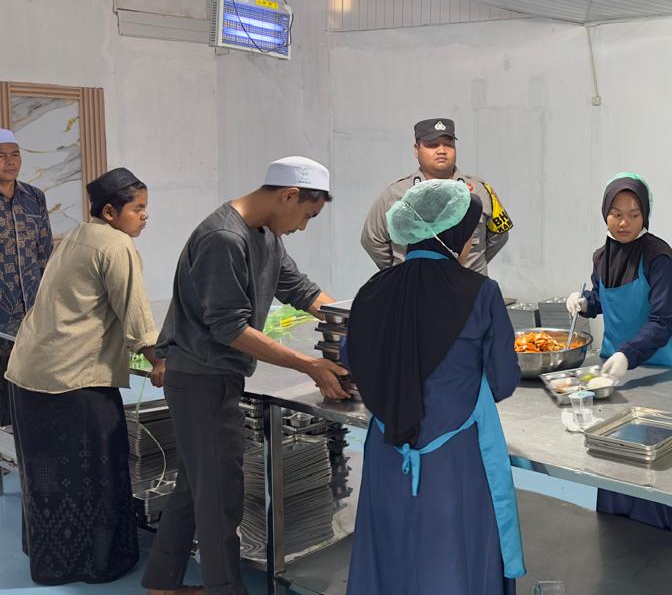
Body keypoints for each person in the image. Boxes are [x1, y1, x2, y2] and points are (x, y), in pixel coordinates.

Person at [141, 157, 349, 595]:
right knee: (220, 496)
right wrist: (310, 365)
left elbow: (302, 290)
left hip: (214, 376)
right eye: (307, 216)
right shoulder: (223, 237)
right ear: (289, 195)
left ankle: (161, 583)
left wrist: (351, 326)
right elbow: (229, 327)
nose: (303, 226)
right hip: (201, 379)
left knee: (195, 486)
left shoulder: (265, 235)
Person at [343, 179, 524, 594]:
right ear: (454, 235)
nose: (472, 243)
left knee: (392, 555)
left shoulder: (371, 291)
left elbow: (352, 357)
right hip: (455, 456)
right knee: (452, 560)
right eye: (470, 233)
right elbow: (502, 380)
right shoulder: (481, 293)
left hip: (387, 449)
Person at [5, 168, 161, 585]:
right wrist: (158, 360)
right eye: (137, 208)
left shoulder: (77, 236)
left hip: (30, 371)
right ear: (110, 212)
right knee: (97, 471)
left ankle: (53, 560)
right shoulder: (116, 244)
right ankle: (99, 563)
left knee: (45, 474)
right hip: (72, 378)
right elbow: (136, 314)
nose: (145, 216)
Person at [565, 172, 672, 540]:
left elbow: (662, 321)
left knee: (662, 456)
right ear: (605, 214)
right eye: (616, 214)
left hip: (660, 370)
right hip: (615, 371)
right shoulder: (602, 256)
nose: (624, 222)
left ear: (645, 215)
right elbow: (604, 298)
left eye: (633, 214)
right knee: (617, 450)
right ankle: (623, 532)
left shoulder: (659, 258)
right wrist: (585, 303)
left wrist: (628, 355)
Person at [361, 118, 512, 275]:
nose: (441, 150)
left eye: (448, 144)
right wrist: (400, 273)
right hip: (416, 285)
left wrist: (471, 270)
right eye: (432, 145)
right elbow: (372, 240)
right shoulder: (396, 193)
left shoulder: (480, 190)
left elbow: (499, 234)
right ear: (416, 149)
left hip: (470, 287)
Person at [0, 127, 54, 427]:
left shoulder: (34, 198)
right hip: (0, 317)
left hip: (32, 315)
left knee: (32, 393)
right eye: (1, 156)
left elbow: (46, 254)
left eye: (15, 155)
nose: (10, 161)